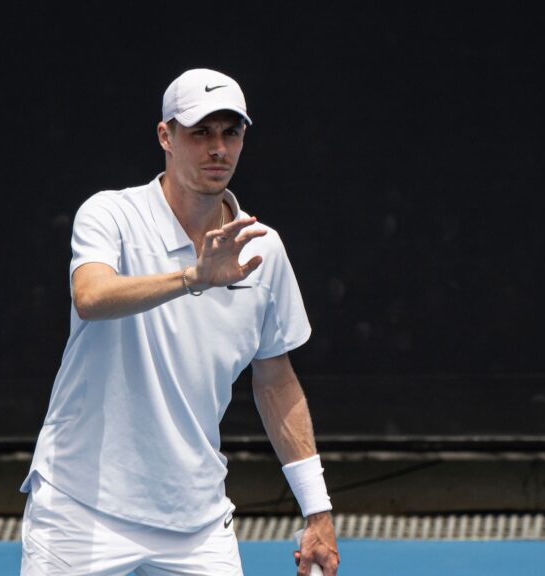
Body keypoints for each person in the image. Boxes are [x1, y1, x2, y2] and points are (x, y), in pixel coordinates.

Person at [20, 68, 340, 576]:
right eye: (200, 133)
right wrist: (192, 277)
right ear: (165, 136)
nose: (218, 148)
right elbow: (91, 295)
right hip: (79, 510)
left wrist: (317, 509)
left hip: (196, 523)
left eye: (230, 133)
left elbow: (276, 382)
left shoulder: (263, 248)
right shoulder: (111, 215)